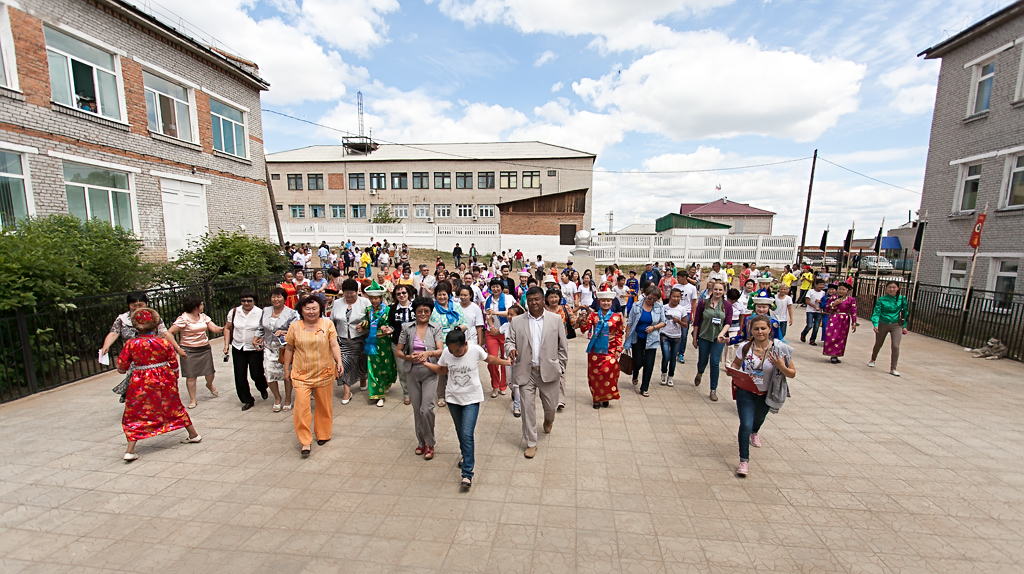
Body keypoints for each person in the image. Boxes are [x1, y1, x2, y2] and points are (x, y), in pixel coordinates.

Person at [422, 328, 511, 489]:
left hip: (472, 398)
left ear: (465, 343)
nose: (455, 353)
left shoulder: (475, 350)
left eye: (458, 350)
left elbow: (489, 358)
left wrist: (506, 362)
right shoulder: (447, 353)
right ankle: (465, 455)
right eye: (452, 350)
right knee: (459, 431)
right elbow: (443, 370)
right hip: (453, 398)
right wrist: (426, 363)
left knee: (466, 433)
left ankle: (467, 473)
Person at [117, 308, 202, 462]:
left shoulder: (132, 344)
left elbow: (122, 365)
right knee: (173, 406)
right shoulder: (163, 342)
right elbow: (174, 362)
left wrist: (125, 370)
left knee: (136, 411)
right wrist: (174, 377)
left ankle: (130, 450)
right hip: (165, 379)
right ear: (156, 324)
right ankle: (193, 434)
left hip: (140, 382)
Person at [505, 286, 568, 459]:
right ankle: (531, 442)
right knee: (527, 408)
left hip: (549, 371)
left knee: (551, 406)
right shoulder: (517, 321)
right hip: (527, 371)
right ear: (526, 301)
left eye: (537, 299)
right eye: (530, 300)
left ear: (543, 300)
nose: (533, 303)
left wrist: (560, 367)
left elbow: (563, 346)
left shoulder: (555, 320)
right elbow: (509, 341)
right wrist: (510, 349)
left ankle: (549, 419)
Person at [729, 314, 795, 477]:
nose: (760, 332)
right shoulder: (745, 347)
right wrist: (733, 371)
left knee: (757, 420)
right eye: (756, 328)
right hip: (746, 391)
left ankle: (755, 432)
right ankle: (744, 460)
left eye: (763, 328)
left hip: (766, 393)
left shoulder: (779, 349)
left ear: (769, 330)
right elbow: (736, 364)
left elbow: (792, 373)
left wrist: (781, 366)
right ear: (751, 330)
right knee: (745, 424)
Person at [283, 296, 343, 458]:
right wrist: (286, 369)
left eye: (314, 308)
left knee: (324, 405)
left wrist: (339, 361)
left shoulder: (327, 324)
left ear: (320, 309)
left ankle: (323, 434)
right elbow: (289, 348)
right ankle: (305, 441)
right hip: (301, 374)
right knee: (301, 407)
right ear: (301, 310)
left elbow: (334, 344)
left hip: (324, 371)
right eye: (307, 308)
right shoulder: (295, 327)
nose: (311, 312)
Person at [101, 292, 184, 404]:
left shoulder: (154, 318)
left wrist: (177, 348)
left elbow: (165, 333)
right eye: (134, 305)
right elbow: (113, 333)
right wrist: (106, 346)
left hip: (153, 359)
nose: (137, 308)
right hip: (135, 361)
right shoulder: (122, 320)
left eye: (140, 305)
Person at [395, 297, 444, 460]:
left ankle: (430, 442)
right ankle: (421, 442)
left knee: (427, 408)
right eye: (420, 311)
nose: (423, 314)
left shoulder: (436, 327)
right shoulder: (406, 327)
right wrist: (410, 357)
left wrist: (427, 354)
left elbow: (440, 350)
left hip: (430, 371)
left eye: (426, 311)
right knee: (417, 409)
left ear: (430, 312)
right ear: (414, 312)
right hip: (412, 371)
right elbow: (399, 351)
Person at [168, 294, 224, 409]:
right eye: (201, 304)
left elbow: (214, 328)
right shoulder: (183, 319)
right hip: (189, 350)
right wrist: (178, 349)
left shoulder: (203, 317)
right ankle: (192, 399)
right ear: (195, 306)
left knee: (210, 372)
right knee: (191, 376)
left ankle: (209, 384)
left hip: (204, 348)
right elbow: (169, 333)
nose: (203, 306)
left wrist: (225, 328)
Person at [254, 287, 299, 412]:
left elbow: (295, 329)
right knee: (270, 374)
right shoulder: (266, 310)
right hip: (269, 347)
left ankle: (288, 399)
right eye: (273, 296)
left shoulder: (291, 313)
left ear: (284, 299)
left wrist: (284, 332)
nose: (276, 299)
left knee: (286, 374)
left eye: (279, 297)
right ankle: (277, 397)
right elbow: (261, 327)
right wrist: (257, 338)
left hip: (284, 348)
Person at [223, 289, 269, 411]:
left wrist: (262, 340)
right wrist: (226, 344)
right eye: (243, 300)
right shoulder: (234, 312)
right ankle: (247, 399)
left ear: (254, 301)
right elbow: (227, 328)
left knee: (256, 373)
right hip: (238, 346)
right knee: (240, 375)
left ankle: (262, 387)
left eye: (249, 300)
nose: (246, 303)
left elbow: (265, 329)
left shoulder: (260, 313)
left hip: (254, 348)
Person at [578, 289, 625, 408]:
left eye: (608, 301)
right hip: (595, 351)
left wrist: (619, 349)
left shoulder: (616, 317)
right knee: (594, 375)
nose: (606, 303)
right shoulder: (593, 316)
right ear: (599, 302)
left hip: (610, 350)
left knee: (609, 374)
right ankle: (596, 398)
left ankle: (606, 396)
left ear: (612, 302)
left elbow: (619, 334)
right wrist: (583, 319)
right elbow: (584, 329)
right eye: (603, 301)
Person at [331, 279, 371, 404]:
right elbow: (332, 320)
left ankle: (363, 378)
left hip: (360, 338)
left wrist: (364, 324)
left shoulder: (364, 302)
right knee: (344, 363)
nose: (349, 295)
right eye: (346, 293)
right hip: (342, 339)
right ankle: (347, 391)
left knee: (361, 361)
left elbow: (373, 319)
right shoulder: (337, 303)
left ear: (357, 292)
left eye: (352, 293)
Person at [691, 281, 732, 402]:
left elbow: (728, 323)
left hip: (718, 339)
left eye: (720, 290)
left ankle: (713, 389)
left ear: (724, 291)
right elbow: (697, 322)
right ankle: (700, 373)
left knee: (714, 362)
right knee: (702, 360)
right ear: (711, 290)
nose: (718, 292)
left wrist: (722, 334)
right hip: (704, 336)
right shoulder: (703, 303)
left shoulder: (727, 305)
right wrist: (694, 338)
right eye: (716, 289)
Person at [623, 285, 667, 397]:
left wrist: (654, 327)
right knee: (638, 361)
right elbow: (630, 322)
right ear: (646, 295)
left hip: (652, 339)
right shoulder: (636, 305)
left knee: (649, 364)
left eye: (655, 299)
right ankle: (635, 373)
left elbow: (663, 322)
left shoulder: (659, 307)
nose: (652, 301)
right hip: (637, 338)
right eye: (650, 298)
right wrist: (627, 337)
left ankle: (644, 387)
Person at [361, 281, 397, 407]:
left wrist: (388, 328)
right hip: (372, 342)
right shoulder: (367, 310)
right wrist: (363, 325)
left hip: (385, 342)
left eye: (376, 298)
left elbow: (393, 325)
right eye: (371, 298)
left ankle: (386, 383)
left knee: (386, 367)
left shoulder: (388, 310)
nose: (373, 301)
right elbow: (368, 322)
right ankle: (378, 394)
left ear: (381, 298)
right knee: (373, 368)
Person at [431, 281, 466, 408]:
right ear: (435, 295)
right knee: (441, 371)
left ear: (448, 295)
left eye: (444, 294)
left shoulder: (456, 307)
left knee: (455, 371)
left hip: (455, 345)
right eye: (439, 295)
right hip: (440, 346)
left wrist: (457, 329)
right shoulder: (432, 310)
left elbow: (465, 323)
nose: (442, 297)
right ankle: (441, 395)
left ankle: (456, 395)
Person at [482, 279, 515, 398]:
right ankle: (495, 385)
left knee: (505, 359)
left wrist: (494, 312)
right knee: (492, 359)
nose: (495, 289)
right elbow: (486, 314)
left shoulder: (508, 298)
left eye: (497, 287)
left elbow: (509, 313)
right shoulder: (488, 299)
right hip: (491, 332)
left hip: (505, 331)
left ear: (501, 287)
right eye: (493, 287)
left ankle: (503, 385)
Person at [869, 281, 908, 376]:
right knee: (878, 343)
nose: (892, 289)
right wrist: (875, 324)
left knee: (895, 346)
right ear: (886, 289)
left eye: (894, 287)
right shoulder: (882, 299)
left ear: (898, 289)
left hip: (896, 324)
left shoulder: (901, 299)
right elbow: (876, 312)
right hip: (883, 323)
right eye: (890, 287)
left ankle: (893, 368)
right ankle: (873, 359)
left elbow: (905, 313)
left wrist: (904, 326)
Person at [388, 284, 417, 405]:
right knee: (402, 370)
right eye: (398, 293)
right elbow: (391, 325)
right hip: (398, 343)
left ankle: (417, 392)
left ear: (408, 294)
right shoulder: (392, 308)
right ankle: (407, 393)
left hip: (415, 342)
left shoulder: (416, 306)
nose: (401, 295)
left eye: (404, 293)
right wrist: (389, 329)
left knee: (416, 369)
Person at [823, 283, 858, 364]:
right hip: (834, 318)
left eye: (843, 289)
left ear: (847, 291)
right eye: (839, 289)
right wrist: (834, 304)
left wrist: (854, 322)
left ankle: (836, 355)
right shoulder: (833, 298)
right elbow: (826, 308)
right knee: (831, 335)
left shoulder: (850, 300)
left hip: (844, 320)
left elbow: (853, 311)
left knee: (841, 337)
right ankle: (831, 353)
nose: (841, 291)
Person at [673, 269, 698, 364]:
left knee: (684, 334)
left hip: (686, 312)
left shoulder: (692, 288)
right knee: (674, 332)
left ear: (684, 278)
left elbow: (694, 303)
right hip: (676, 311)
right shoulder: (676, 286)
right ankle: (674, 350)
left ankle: (681, 353)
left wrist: (694, 315)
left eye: (679, 278)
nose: (677, 279)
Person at [800, 279, 826, 346]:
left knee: (816, 326)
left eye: (822, 285)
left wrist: (820, 303)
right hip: (810, 311)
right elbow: (807, 301)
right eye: (820, 285)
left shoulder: (823, 293)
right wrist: (814, 307)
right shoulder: (810, 291)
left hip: (819, 312)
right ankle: (803, 333)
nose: (821, 286)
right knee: (809, 325)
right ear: (815, 284)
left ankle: (812, 339)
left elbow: (824, 301)